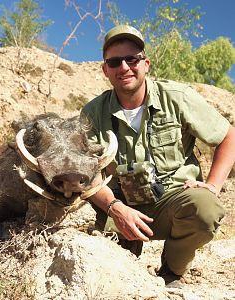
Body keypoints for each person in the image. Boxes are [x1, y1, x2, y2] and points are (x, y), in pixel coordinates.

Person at [81, 24, 235, 287]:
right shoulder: (92, 114)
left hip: (170, 203)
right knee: (76, 217)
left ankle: (171, 271)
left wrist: (212, 186)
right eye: (115, 62)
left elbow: (228, 137)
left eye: (132, 59)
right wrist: (115, 208)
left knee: (206, 209)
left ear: (146, 63)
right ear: (105, 70)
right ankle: (123, 251)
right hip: (117, 207)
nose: (124, 67)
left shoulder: (177, 97)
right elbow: (85, 173)